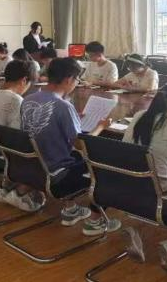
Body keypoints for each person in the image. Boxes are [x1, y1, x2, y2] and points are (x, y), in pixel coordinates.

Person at [20, 57, 118, 234]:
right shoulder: (63, 106)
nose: (76, 83)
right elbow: (81, 144)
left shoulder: (28, 99)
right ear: (68, 79)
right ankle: (95, 221)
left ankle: (71, 210)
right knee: (105, 166)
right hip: (58, 177)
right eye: (77, 79)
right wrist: (101, 126)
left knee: (70, 155)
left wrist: (72, 118)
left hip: (33, 168)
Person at [0, 59, 42, 211]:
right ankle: (20, 191)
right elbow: (17, 137)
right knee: (40, 149)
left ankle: (6, 188)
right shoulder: (15, 100)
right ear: (24, 80)